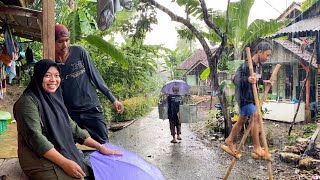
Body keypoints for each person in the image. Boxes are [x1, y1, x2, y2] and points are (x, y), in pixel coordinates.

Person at [14, 60, 123, 179]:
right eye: (47, 75)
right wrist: (64, 163)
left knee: (96, 172)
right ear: (39, 77)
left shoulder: (55, 97)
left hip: (60, 149)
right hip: (38, 159)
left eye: (56, 75)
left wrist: (100, 147)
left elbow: (72, 128)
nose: (53, 80)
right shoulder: (27, 102)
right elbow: (36, 138)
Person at [54, 24, 124, 144]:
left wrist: (113, 99)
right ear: (53, 42)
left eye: (67, 40)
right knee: (68, 147)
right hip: (70, 114)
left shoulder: (79, 52)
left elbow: (95, 77)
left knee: (104, 145)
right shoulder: (52, 62)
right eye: (60, 41)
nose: (65, 45)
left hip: (92, 109)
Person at [222, 41, 273, 159]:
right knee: (255, 116)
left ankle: (229, 140)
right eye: (267, 55)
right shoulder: (246, 65)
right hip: (244, 97)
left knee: (242, 120)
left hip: (251, 97)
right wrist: (247, 79)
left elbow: (256, 80)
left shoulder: (259, 66)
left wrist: (264, 82)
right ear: (259, 52)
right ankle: (256, 147)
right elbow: (236, 80)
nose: (267, 58)